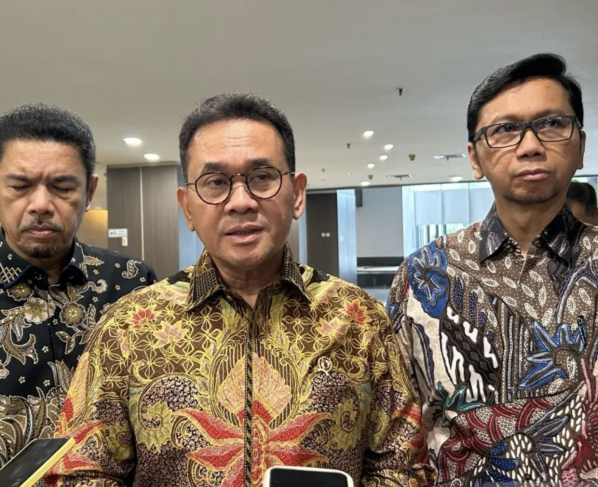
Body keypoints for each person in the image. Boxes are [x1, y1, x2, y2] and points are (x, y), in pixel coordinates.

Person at [45, 93, 433, 487]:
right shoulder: (130, 326)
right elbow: (80, 471)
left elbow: (401, 466)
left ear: (297, 194)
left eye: (262, 177)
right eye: (215, 183)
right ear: (187, 207)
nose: (241, 202)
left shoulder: (358, 319)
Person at [387, 53, 598, 485]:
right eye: (505, 130)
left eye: (552, 123)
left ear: (580, 145)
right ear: (474, 158)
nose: (530, 145)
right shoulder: (424, 275)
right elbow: (397, 432)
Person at [0, 103, 157, 467]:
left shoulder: (132, 282)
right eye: (20, 186)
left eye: (62, 187)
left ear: (89, 191)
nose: (41, 204)